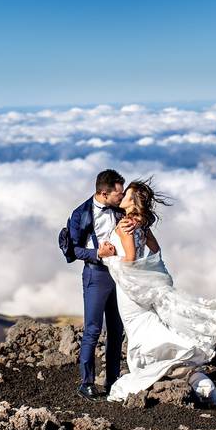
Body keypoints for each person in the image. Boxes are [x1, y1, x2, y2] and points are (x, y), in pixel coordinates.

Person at [102, 177, 216, 406]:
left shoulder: (125, 224)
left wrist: (109, 255)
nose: (121, 196)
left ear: (132, 201)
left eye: (126, 194)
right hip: (145, 288)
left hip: (131, 291)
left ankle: (168, 376)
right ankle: (195, 379)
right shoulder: (142, 224)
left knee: (139, 331)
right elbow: (156, 250)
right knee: (151, 329)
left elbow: (130, 260)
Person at [66, 169, 137, 401]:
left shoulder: (119, 208)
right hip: (96, 275)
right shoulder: (81, 214)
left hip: (120, 274)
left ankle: (113, 380)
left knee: (117, 330)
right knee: (93, 330)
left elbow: (145, 217)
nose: (122, 196)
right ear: (104, 193)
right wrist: (97, 252)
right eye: (118, 194)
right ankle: (86, 383)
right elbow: (73, 249)